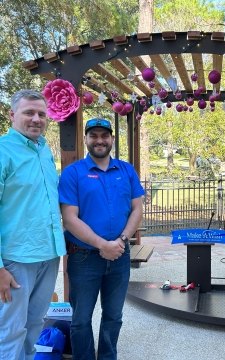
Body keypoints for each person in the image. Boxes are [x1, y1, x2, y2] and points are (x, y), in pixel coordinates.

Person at [58, 118, 144, 360]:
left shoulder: (126, 170)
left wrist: (122, 240)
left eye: (104, 135)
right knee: (81, 318)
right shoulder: (73, 173)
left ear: (112, 140)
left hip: (120, 255)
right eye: (93, 135)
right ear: (86, 139)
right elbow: (69, 218)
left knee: (114, 316)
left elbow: (137, 209)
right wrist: (102, 245)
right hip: (84, 258)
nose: (99, 140)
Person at [0, 89, 66, 359]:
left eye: (41, 114)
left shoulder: (44, 151)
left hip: (48, 254)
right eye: (29, 112)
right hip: (16, 260)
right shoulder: (3, 152)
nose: (36, 119)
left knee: (35, 325)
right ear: (12, 115)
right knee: (11, 330)